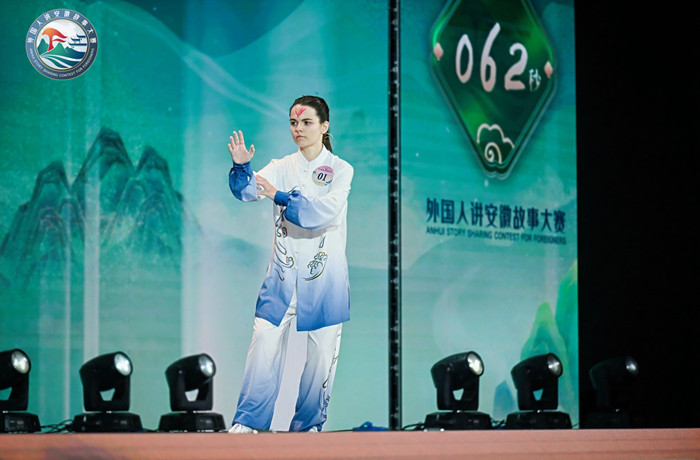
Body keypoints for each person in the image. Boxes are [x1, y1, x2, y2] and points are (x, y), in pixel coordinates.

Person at [226, 95, 353, 433]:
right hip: (282, 279)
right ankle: (249, 421)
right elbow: (248, 191)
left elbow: (322, 213)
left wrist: (279, 195)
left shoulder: (341, 170)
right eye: (294, 123)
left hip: (325, 280)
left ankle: (308, 426)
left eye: (307, 122)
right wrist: (241, 168)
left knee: (321, 356)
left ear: (324, 126)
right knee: (263, 343)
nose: (299, 129)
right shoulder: (281, 166)